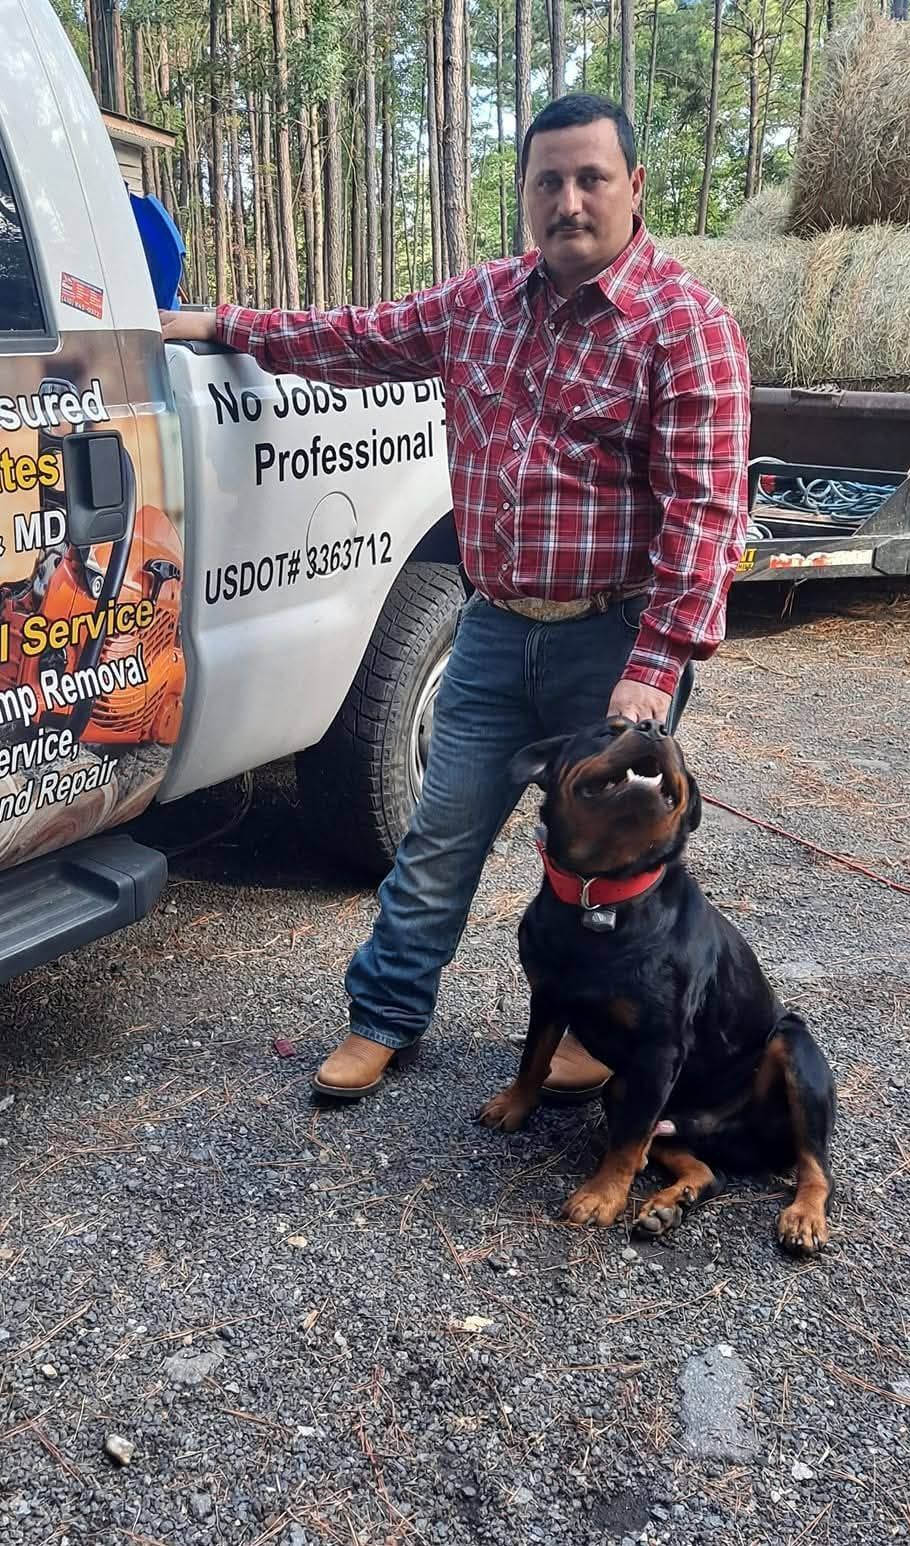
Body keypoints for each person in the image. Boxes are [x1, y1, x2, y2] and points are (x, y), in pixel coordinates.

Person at [161, 92, 752, 1103]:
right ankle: (386, 1018)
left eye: (590, 178)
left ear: (635, 187)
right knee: (440, 837)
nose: (568, 200)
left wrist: (653, 675)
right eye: (547, 180)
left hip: (612, 644)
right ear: (523, 192)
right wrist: (219, 323)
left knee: (605, 870)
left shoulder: (686, 329)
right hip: (487, 630)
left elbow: (707, 518)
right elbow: (349, 337)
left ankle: (594, 1034)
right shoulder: (477, 303)